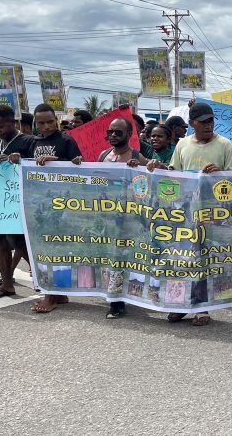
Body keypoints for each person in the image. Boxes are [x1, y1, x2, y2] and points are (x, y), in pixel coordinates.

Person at [153, 102, 232, 326]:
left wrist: (220, 173)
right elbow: (174, 173)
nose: (208, 125)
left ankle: (202, 308)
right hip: (184, 211)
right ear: (192, 123)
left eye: (211, 120)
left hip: (211, 214)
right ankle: (180, 304)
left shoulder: (225, 145)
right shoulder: (182, 145)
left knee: (202, 260)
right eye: (203, 121)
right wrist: (156, 168)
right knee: (180, 257)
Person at [82, 117, 148, 318]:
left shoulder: (138, 156)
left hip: (126, 218)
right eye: (110, 132)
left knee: (121, 257)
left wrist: (141, 170)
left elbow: (151, 181)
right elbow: (95, 179)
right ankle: (113, 294)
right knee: (107, 255)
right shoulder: (104, 155)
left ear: (129, 135)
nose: (112, 135)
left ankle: (118, 302)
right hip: (105, 217)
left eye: (118, 132)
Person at [23, 103, 82, 313]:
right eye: (41, 123)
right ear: (35, 123)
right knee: (45, 248)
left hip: (61, 204)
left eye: (50, 122)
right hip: (41, 203)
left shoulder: (66, 140)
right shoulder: (33, 141)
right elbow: (26, 164)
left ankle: (50, 296)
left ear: (56, 120)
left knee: (53, 248)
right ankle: (58, 293)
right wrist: (14, 159)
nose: (46, 126)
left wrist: (56, 161)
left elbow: (79, 165)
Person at [0, 106, 35, 296]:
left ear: (14, 123)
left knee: (21, 243)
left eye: (1, 126)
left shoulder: (29, 141)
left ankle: (43, 280)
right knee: (0, 241)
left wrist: (20, 160)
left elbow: (38, 167)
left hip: (21, 202)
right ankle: (6, 284)